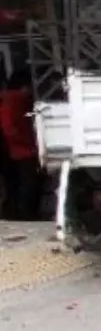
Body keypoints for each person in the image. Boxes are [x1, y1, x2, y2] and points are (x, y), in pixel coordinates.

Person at [0, 67, 41, 221]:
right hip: (21, 150)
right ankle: (25, 216)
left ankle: (18, 214)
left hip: (15, 150)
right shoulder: (15, 100)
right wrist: (28, 143)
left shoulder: (8, 99)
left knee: (16, 185)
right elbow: (9, 127)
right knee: (27, 184)